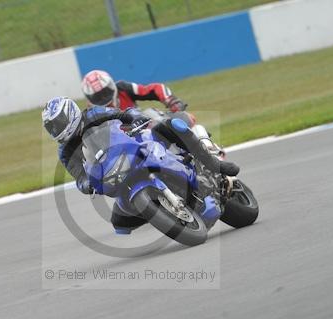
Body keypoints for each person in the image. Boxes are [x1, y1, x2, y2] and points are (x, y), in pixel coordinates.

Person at [41, 97, 239, 233]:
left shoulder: (93, 114)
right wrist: (87, 184)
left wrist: (137, 119)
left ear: (69, 114)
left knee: (170, 126)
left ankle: (214, 165)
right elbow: (79, 176)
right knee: (119, 224)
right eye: (52, 128)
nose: (56, 130)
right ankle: (161, 210)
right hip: (114, 174)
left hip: (132, 146)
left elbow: (123, 114)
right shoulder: (65, 151)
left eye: (58, 124)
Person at [81, 70, 187, 112]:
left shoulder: (123, 88)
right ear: (90, 97)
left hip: (146, 129)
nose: (103, 97)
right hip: (121, 148)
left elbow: (154, 88)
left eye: (105, 92)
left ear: (111, 85)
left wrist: (171, 101)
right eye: (97, 96)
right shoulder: (91, 111)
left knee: (188, 119)